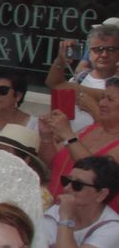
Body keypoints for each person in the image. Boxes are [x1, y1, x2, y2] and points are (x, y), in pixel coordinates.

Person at [41, 78, 119, 209]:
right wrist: (46, 137)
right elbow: (50, 162)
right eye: (102, 97)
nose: (102, 104)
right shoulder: (89, 129)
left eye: (110, 100)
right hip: (55, 212)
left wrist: (67, 134)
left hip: (90, 222)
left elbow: (96, 174)